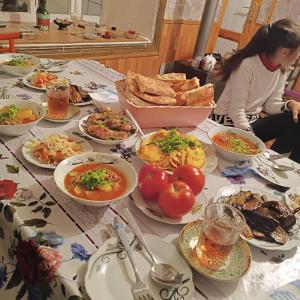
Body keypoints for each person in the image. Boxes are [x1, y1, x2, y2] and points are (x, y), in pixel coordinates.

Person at [212, 19, 300, 163]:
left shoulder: (281, 70)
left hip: (250, 124)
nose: (298, 57)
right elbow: (236, 111)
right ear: (284, 52)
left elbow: (271, 105)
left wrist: (289, 104)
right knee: (249, 148)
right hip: (227, 123)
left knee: (297, 119)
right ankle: (266, 162)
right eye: (298, 52)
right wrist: (251, 141)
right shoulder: (248, 65)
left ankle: (276, 164)